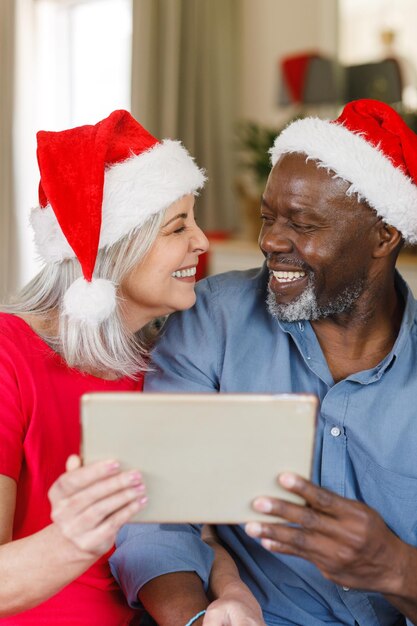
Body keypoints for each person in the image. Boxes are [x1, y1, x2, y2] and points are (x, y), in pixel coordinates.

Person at [110, 99, 417, 626]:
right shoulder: (213, 318)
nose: (270, 242)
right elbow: (154, 511)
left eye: (303, 224)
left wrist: (396, 569)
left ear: (384, 236)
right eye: (269, 217)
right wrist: (194, 619)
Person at [0, 109, 211, 624]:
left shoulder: (170, 365)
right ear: (111, 250)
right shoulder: (9, 354)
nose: (202, 242)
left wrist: (229, 600)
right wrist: (72, 539)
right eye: (178, 227)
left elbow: (196, 537)